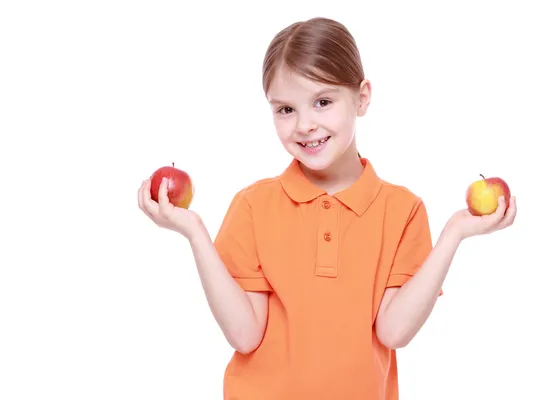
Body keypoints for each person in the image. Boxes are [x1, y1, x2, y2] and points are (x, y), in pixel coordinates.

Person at [137, 17, 517, 400]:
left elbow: (394, 332)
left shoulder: (403, 210)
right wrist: (195, 233)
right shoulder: (253, 206)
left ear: (362, 97)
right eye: (285, 109)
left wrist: (453, 234)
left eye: (322, 102)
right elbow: (244, 335)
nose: (304, 125)